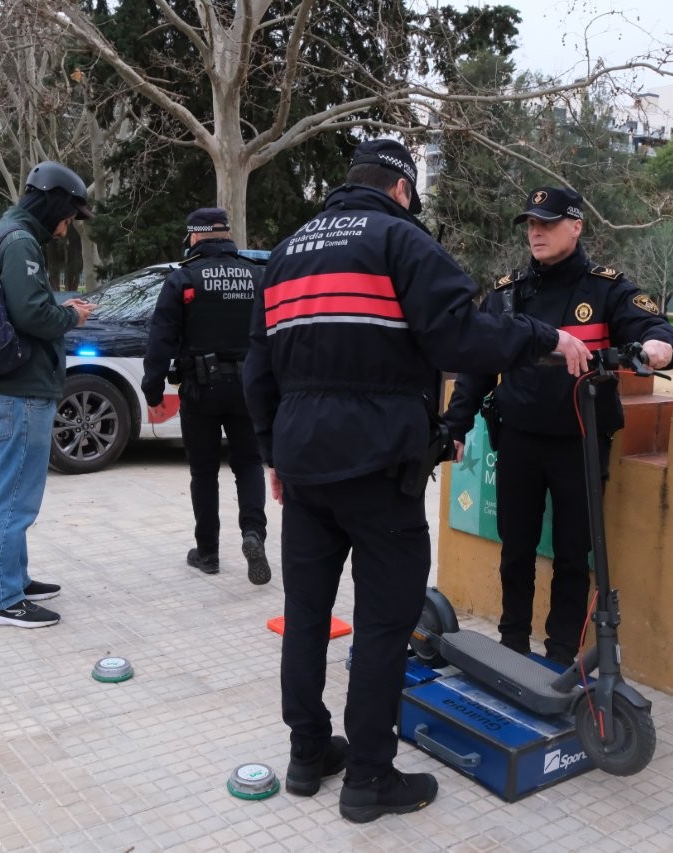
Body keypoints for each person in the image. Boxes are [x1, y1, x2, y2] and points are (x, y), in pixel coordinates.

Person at [244, 139, 563, 823]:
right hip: (378, 466)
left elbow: (257, 368)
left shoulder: (286, 252)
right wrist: (544, 339)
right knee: (385, 623)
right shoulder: (400, 241)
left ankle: (307, 754)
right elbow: (463, 336)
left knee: (306, 614)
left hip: (303, 468)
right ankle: (368, 777)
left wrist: (275, 453)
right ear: (400, 190)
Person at [444, 185, 673, 667]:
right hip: (517, 439)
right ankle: (510, 646)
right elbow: (475, 368)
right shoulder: (508, 293)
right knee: (516, 548)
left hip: (581, 442)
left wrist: (655, 350)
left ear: (576, 226)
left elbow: (661, 334)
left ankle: (558, 658)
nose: (536, 231)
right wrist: (455, 424)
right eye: (531, 224)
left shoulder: (606, 288)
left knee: (574, 555)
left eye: (547, 223)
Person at [0, 160, 96, 628]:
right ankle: (3, 601)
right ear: (54, 204)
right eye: (68, 216)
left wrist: (57, 307)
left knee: (12, 493)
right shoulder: (23, 240)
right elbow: (30, 315)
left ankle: (15, 579)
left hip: (8, 388)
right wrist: (72, 318)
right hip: (20, 392)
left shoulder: (2, 233)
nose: (66, 228)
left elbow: (20, 305)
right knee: (12, 500)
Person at [141, 207, 270, 585]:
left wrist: (152, 389)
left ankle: (208, 552)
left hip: (200, 388)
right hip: (248, 388)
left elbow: (161, 338)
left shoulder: (183, 278)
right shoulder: (257, 275)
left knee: (204, 472)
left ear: (195, 236)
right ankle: (253, 534)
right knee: (248, 465)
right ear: (227, 235)